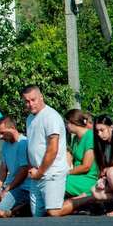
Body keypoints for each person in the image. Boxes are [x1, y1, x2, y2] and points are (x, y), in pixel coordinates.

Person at [22, 85, 68, 217]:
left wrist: (40, 172)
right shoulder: (30, 119)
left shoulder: (50, 116)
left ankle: (85, 199)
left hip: (52, 172)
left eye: (33, 99)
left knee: (53, 212)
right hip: (36, 174)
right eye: (27, 101)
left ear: (41, 97)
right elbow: (31, 145)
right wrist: (32, 168)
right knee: (37, 215)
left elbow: (53, 149)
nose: (30, 104)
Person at [64, 109, 99, 197]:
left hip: (88, 178)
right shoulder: (75, 138)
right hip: (76, 176)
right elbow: (70, 157)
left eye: (66, 123)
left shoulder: (90, 136)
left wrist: (67, 172)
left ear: (72, 123)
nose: (66, 126)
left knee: (59, 182)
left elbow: (86, 166)